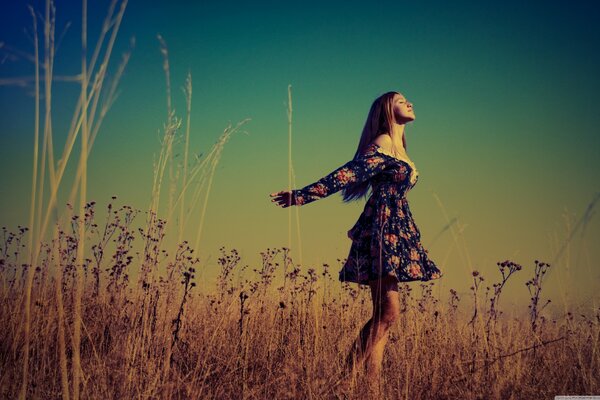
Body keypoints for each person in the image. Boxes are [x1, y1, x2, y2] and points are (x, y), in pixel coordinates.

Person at [269, 91, 443, 393]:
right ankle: (341, 381)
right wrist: (302, 195)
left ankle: (370, 390)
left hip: (397, 229)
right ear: (387, 110)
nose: (410, 103)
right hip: (382, 228)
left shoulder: (400, 148)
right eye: (401, 101)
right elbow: (346, 174)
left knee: (383, 317)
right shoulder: (382, 145)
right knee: (389, 313)